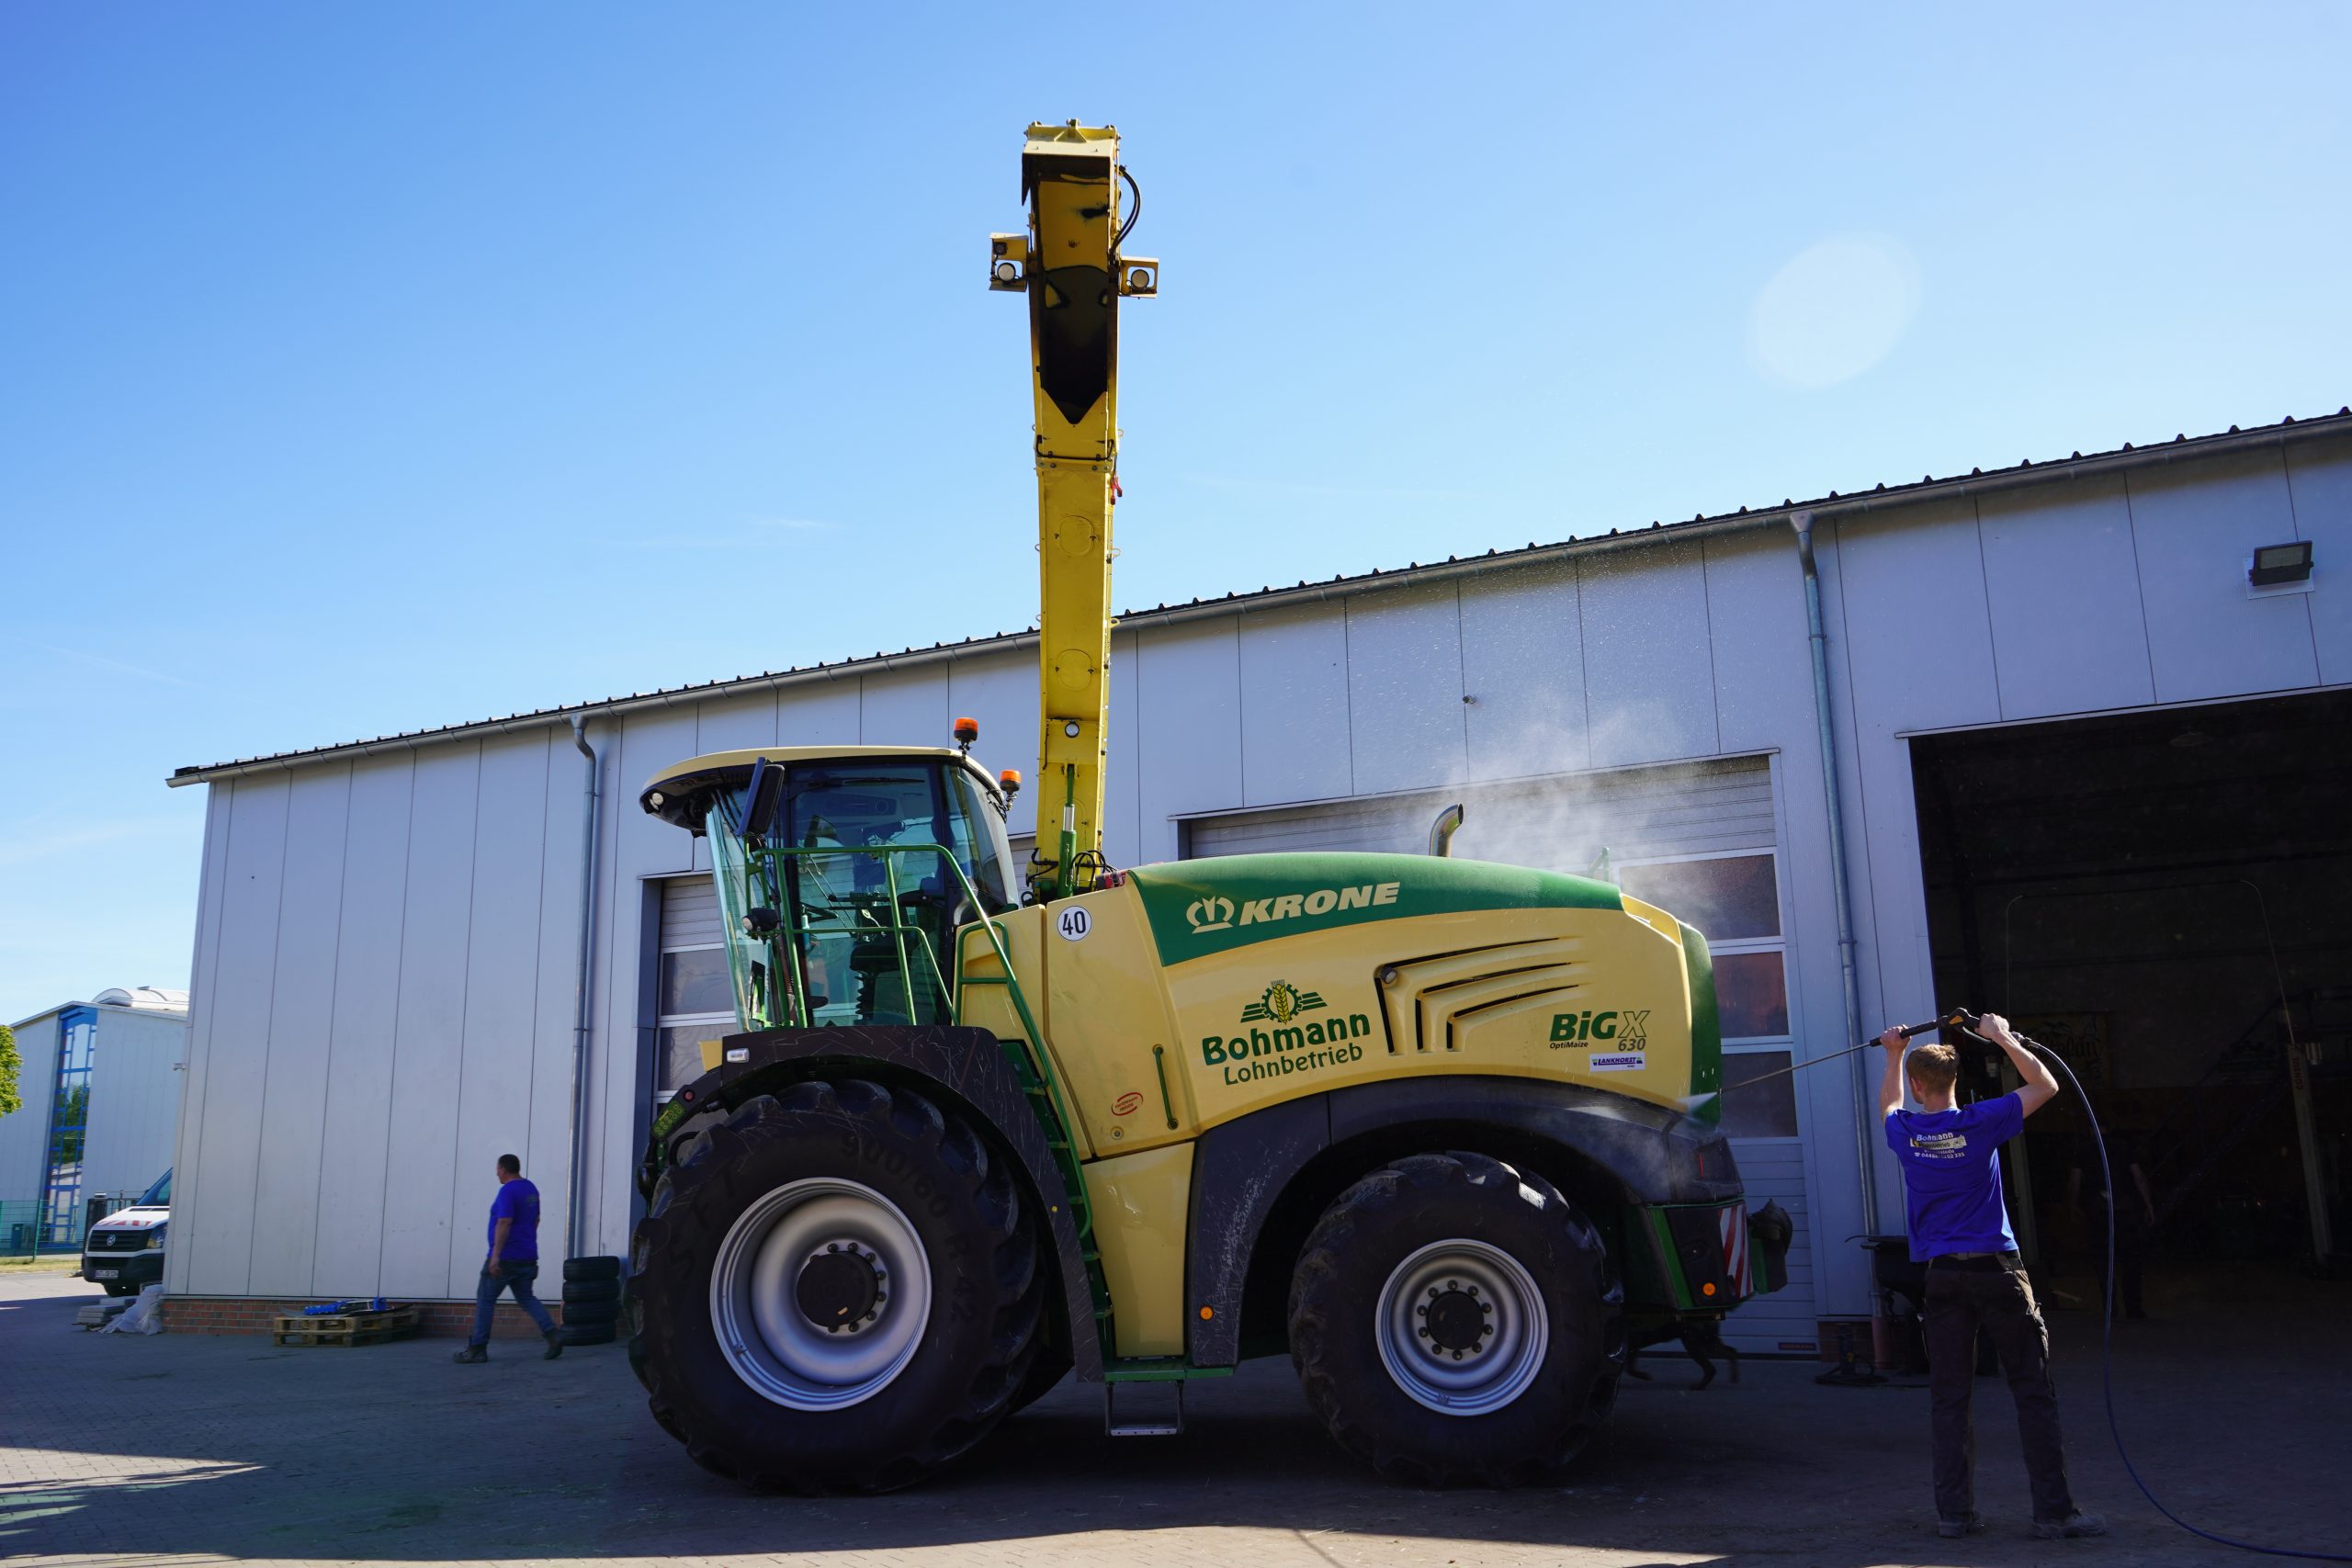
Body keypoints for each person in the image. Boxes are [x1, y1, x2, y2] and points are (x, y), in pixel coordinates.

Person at [1880, 1013, 2105, 1541]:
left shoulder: (1906, 1130)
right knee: (2032, 1391)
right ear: (1954, 1081)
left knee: (1949, 1399)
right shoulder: (1981, 1120)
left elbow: (1888, 1105)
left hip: (1942, 1278)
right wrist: (2002, 1038)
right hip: (1997, 1272)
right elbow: (2045, 1086)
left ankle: (1954, 1517)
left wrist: (1893, 1053)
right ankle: (2054, 1515)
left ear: (1918, 1085)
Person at [452, 1153, 562, 1363]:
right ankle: (553, 1334)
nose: (496, 1174)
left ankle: (477, 1349)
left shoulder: (507, 1191)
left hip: (506, 1258)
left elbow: (504, 1221)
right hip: (527, 1256)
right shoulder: (531, 1189)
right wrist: (526, 1240)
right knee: (527, 1298)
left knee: (486, 1300)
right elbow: (536, 1219)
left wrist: (496, 1256)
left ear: (503, 1169)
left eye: (498, 1169)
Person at [2068, 1122, 2154, 1321]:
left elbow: (2074, 1181)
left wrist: (2073, 1206)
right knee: (2131, 1261)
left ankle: (2110, 1309)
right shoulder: (2123, 1147)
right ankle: (2133, 1308)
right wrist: (2148, 1204)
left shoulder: (2084, 1150)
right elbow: (2139, 1177)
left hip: (2098, 1212)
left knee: (2104, 1263)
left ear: (2091, 1130)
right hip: (2124, 1210)